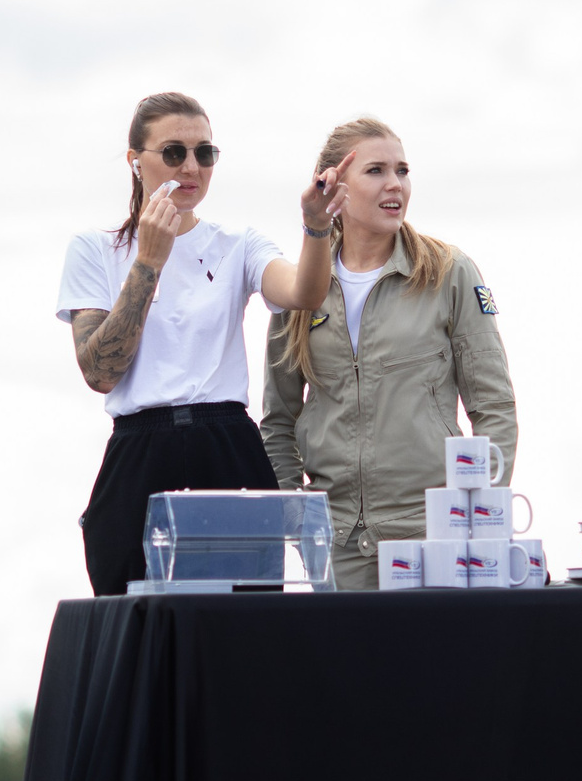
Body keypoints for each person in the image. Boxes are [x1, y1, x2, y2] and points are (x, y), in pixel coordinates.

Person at [56, 91, 345, 596]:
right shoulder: (95, 249)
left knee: (245, 631)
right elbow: (100, 371)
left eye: (204, 153)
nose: (191, 167)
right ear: (135, 161)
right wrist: (149, 261)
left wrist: (316, 227)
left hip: (226, 442)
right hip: (140, 445)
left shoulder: (238, 243)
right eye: (173, 152)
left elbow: (304, 292)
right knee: (136, 622)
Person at [261, 117, 517, 589]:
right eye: (376, 171)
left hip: (434, 539)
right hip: (334, 544)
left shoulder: (450, 272)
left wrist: (478, 520)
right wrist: (298, 520)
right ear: (332, 185)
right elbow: (277, 419)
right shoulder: (299, 287)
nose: (395, 184)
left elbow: (494, 408)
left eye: (402, 170)